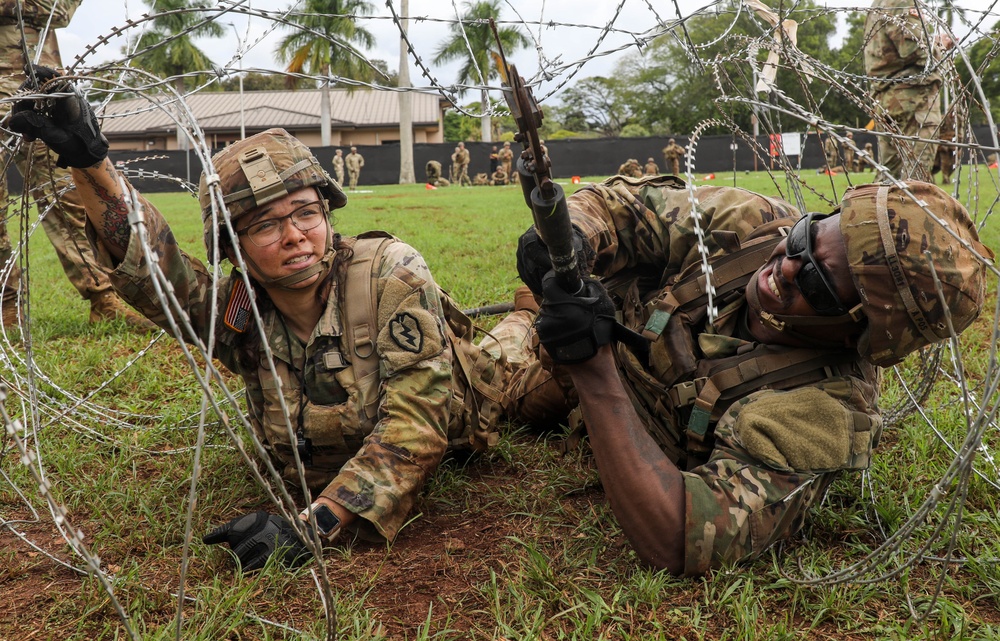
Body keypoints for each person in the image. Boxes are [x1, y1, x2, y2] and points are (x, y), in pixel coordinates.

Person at [11, 69, 538, 572]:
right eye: (265, 224)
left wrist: (314, 524)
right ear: (234, 249)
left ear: (327, 214)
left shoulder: (390, 273)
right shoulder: (242, 316)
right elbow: (152, 270)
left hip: (470, 394)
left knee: (512, 354)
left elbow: (415, 425)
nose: (295, 236)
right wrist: (88, 159)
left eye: (307, 213)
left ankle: (525, 314)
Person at [514, 174, 990, 575]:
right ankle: (524, 317)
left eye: (817, 284)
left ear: (858, 334)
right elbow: (623, 206)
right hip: (576, 328)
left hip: (586, 370)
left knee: (497, 397)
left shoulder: (820, 408)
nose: (785, 266)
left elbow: (677, 534)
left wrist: (594, 374)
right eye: (806, 237)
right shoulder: (751, 224)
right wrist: (574, 237)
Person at [0, 1, 153, 330]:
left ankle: (103, 297)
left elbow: (57, 9)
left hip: (34, 86)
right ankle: (6, 307)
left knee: (65, 196)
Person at [864, 0, 950, 181]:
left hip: (889, 98)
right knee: (916, 183)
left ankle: (881, 209)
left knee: (889, 180)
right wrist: (939, 47)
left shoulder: (880, 3)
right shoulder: (902, 1)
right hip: (913, 101)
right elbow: (916, 51)